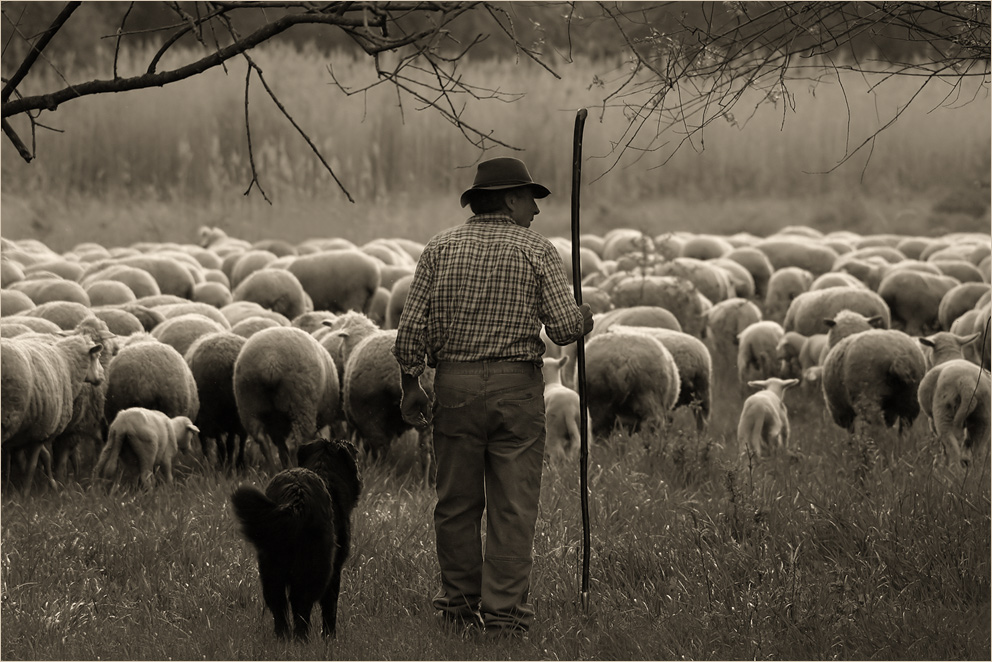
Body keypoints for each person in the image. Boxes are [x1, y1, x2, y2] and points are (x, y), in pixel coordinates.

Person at [392, 156, 594, 637]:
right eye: (530, 199)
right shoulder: (537, 250)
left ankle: (459, 609)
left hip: (455, 386)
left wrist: (410, 384)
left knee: (456, 502)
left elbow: (408, 333)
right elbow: (564, 329)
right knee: (513, 504)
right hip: (515, 390)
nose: (536, 211)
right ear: (509, 198)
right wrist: (584, 318)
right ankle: (503, 616)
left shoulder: (439, 248)